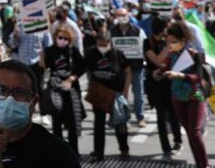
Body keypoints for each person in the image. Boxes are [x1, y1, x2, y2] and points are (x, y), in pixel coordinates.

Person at [163, 21, 209, 168]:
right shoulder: (171, 55)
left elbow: (198, 77)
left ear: (183, 40)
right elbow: (164, 68)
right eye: (168, 42)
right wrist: (158, 72)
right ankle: (198, 163)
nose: (170, 45)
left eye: (173, 42)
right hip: (178, 96)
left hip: (197, 94)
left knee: (195, 131)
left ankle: (205, 165)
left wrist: (181, 75)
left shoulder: (194, 54)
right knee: (189, 132)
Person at [83, 27, 130, 160]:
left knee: (120, 122)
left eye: (105, 44)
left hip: (116, 93)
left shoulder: (117, 53)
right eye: (100, 44)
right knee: (99, 123)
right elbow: (83, 68)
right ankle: (98, 152)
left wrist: (125, 90)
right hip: (99, 93)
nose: (103, 47)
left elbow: (128, 71)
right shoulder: (91, 53)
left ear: (110, 42)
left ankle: (124, 149)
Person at [40, 24, 84, 156]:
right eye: (60, 38)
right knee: (56, 123)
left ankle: (74, 152)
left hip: (71, 91)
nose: (62, 40)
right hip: (56, 90)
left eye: (66, 39)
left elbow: (82, 67)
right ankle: (59, 153)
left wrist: (72, 78)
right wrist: (42, 57)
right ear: (55, 37)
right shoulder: (49, 50)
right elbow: (44, 69)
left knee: (72, 124)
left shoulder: (73, 51)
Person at [144, 15, 184, 159]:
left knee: (173, 112)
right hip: (155, 81)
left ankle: (178, 140)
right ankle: (165, 147)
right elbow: (156, 60)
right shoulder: (148, 42)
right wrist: (168, 47)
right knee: (161, 114)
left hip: (169, 79)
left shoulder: (169, 39)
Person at [109, 6, 144, 127]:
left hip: (136, 66)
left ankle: (140, 117)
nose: (121, 18)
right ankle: (124, 118)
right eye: (118, 16)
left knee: (138, 94)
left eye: (123, 15)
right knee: (122, 94)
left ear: (128, 16)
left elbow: (143, 46)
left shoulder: (137, 30)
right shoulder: (111, 31)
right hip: (120, 68)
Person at [9, 19, 51, 96]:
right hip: (22, 64)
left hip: (37, 64)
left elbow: (48, 45)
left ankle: (40, 102)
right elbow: (12, 44)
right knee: (23, 89)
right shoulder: (19, 26)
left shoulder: (42, 26)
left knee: (38, 89)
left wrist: (44, 61)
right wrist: (15, 36)